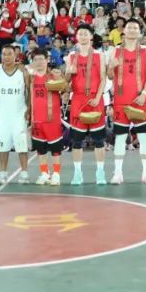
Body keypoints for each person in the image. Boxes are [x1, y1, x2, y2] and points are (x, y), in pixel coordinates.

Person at [109, 18, 146, 184]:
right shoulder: (115, 50)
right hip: (121, 100)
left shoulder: (145, 50)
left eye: (135, 28)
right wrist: (111, 67)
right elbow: (109, 76)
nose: (132, 30)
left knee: (143, 137)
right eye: (130, 28)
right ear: (124, 31)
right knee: (120, 138)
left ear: (139, 32)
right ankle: (117, 173)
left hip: (140, 99)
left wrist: (144, 92)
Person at [63, 24, 109, 185]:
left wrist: (98, 97)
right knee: (76, 141)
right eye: (80, 34)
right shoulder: (71, 56)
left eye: (85, 33)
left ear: (91, 36)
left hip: (95, 100)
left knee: (99, 140)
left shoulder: (99, 55)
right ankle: (77, 173)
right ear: (77, 37)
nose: (82, 36)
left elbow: (103, 79)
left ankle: (100, 172)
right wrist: (69, 72)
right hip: (78, 99)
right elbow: (66, 82)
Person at [0, 44, 31, 183]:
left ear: (15, 55)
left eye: (9, 54)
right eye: (4, 54)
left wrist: (29, 108)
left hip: (19, 114)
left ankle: (24, 173)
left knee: (22, 145)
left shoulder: (23, 71)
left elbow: (30, 90)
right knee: (3, 146)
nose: (6, 57)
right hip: (3, 115)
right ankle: (3, 172)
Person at [29, 48, 65, 185]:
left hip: (52, 120)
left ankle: (56, 174)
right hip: (36, 120)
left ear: (47, 60)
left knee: (56, 150)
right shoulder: (30, 78)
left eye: (41, 59)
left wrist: (60, 77)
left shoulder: (53, 76)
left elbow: (65, 88)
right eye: (36, 59)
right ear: (33, 62)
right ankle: (44, 173)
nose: (39, 62)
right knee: (41, 149)